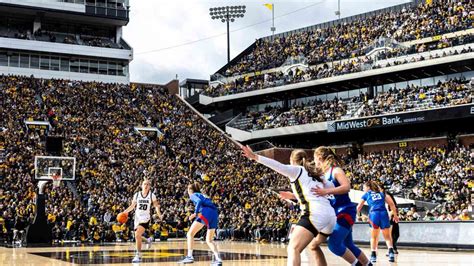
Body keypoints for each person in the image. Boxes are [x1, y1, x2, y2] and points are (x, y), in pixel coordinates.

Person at [242, 146, 336, 266]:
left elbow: (278, 166)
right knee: (313, 247)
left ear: (292, 161)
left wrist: (255, 157)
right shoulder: (317, 174)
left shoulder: (297, 170)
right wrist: (294, 196)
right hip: (330, 216)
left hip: (315, 214)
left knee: (293, 248)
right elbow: (331, 188)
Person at [310, 146, 371, 266]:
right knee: (349, 245)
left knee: (334, 245)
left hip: (345, 211)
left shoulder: (336, 170)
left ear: (320, 158)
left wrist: (326, 191)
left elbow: (346, 187)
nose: (314, 161)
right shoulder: (322, 174)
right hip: (335, 213)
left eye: (314, 158)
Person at [178, 182, 221, 265]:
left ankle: (190, 257)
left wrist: (195, 213)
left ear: (190, 190)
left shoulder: (193, 195)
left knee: (190, 234)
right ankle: (218, 259)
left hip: (205, 212)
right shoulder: (202, 194)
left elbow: (198, 201)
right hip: (214, 213)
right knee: (209, 240)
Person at [122, 178, 163, 263]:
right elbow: (132, 206)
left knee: (137, 235)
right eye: (144, 184)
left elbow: (156, 206)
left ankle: (138, 255)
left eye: (148, 184)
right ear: (141, 185)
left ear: (150, 187)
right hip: (137, 218)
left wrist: (159, 215)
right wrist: (124, 212)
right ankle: (148, 240)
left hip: (145, 218)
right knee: (137, 236)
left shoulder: (152, 195)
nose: (146, 186)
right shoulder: (137, 195)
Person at [357, 181, 399, 263]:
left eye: (364, 187)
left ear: (368, 187)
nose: (363, 189)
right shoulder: (382, 193)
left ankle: (373, 255)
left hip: (374, 215)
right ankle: (391, 253)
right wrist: (396, 215)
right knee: (387, 236)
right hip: (384, 214)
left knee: (374, 237)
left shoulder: (367, 194)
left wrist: (359, 215)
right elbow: (392, 204)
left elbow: (358, 207)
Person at [382, 187, 399, 255]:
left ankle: (393, 247)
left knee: (396, 234)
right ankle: (390, 249)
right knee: (390, 235)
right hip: (388, 219)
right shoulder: (383, 203)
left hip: (393, 218)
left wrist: (395, 215)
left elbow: (394, 209)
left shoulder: (392, 203)